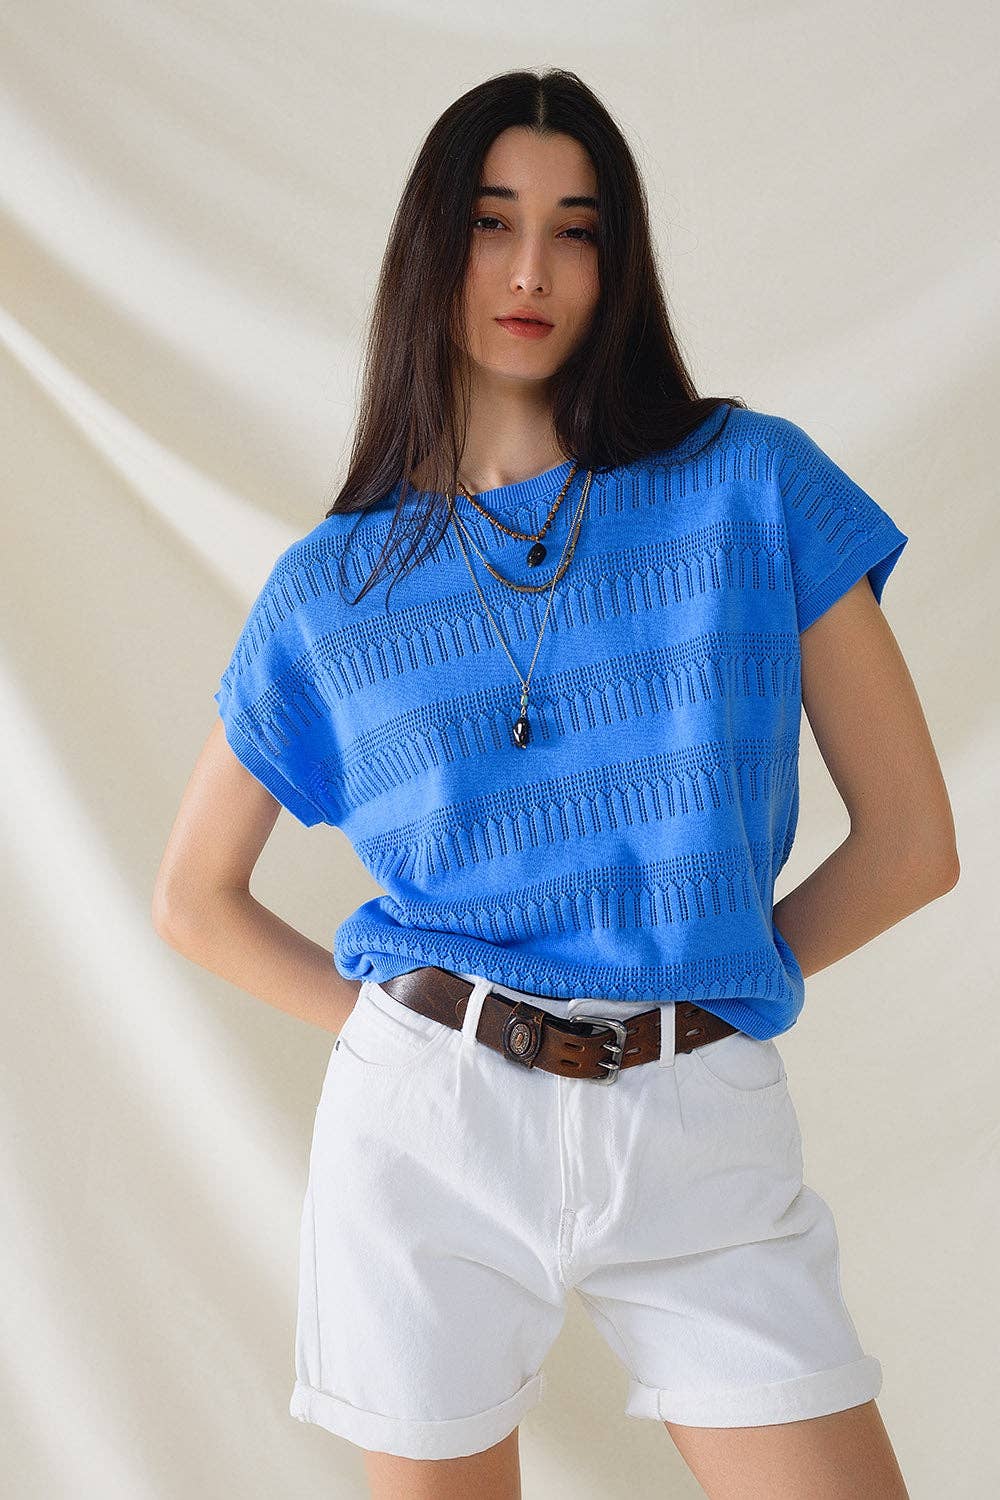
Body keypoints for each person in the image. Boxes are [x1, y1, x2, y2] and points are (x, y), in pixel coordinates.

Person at [153, 67, 957, 1500]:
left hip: (700, 1119)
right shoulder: (332, 589)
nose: (531, 270)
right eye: (491, 222)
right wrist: (430, 1041)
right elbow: (192, 898)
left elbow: (911, 846)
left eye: (576, 231)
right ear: (429, 247)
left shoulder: (754, 486)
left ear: (617, 262)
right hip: (429, 1135)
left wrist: (702, 980)